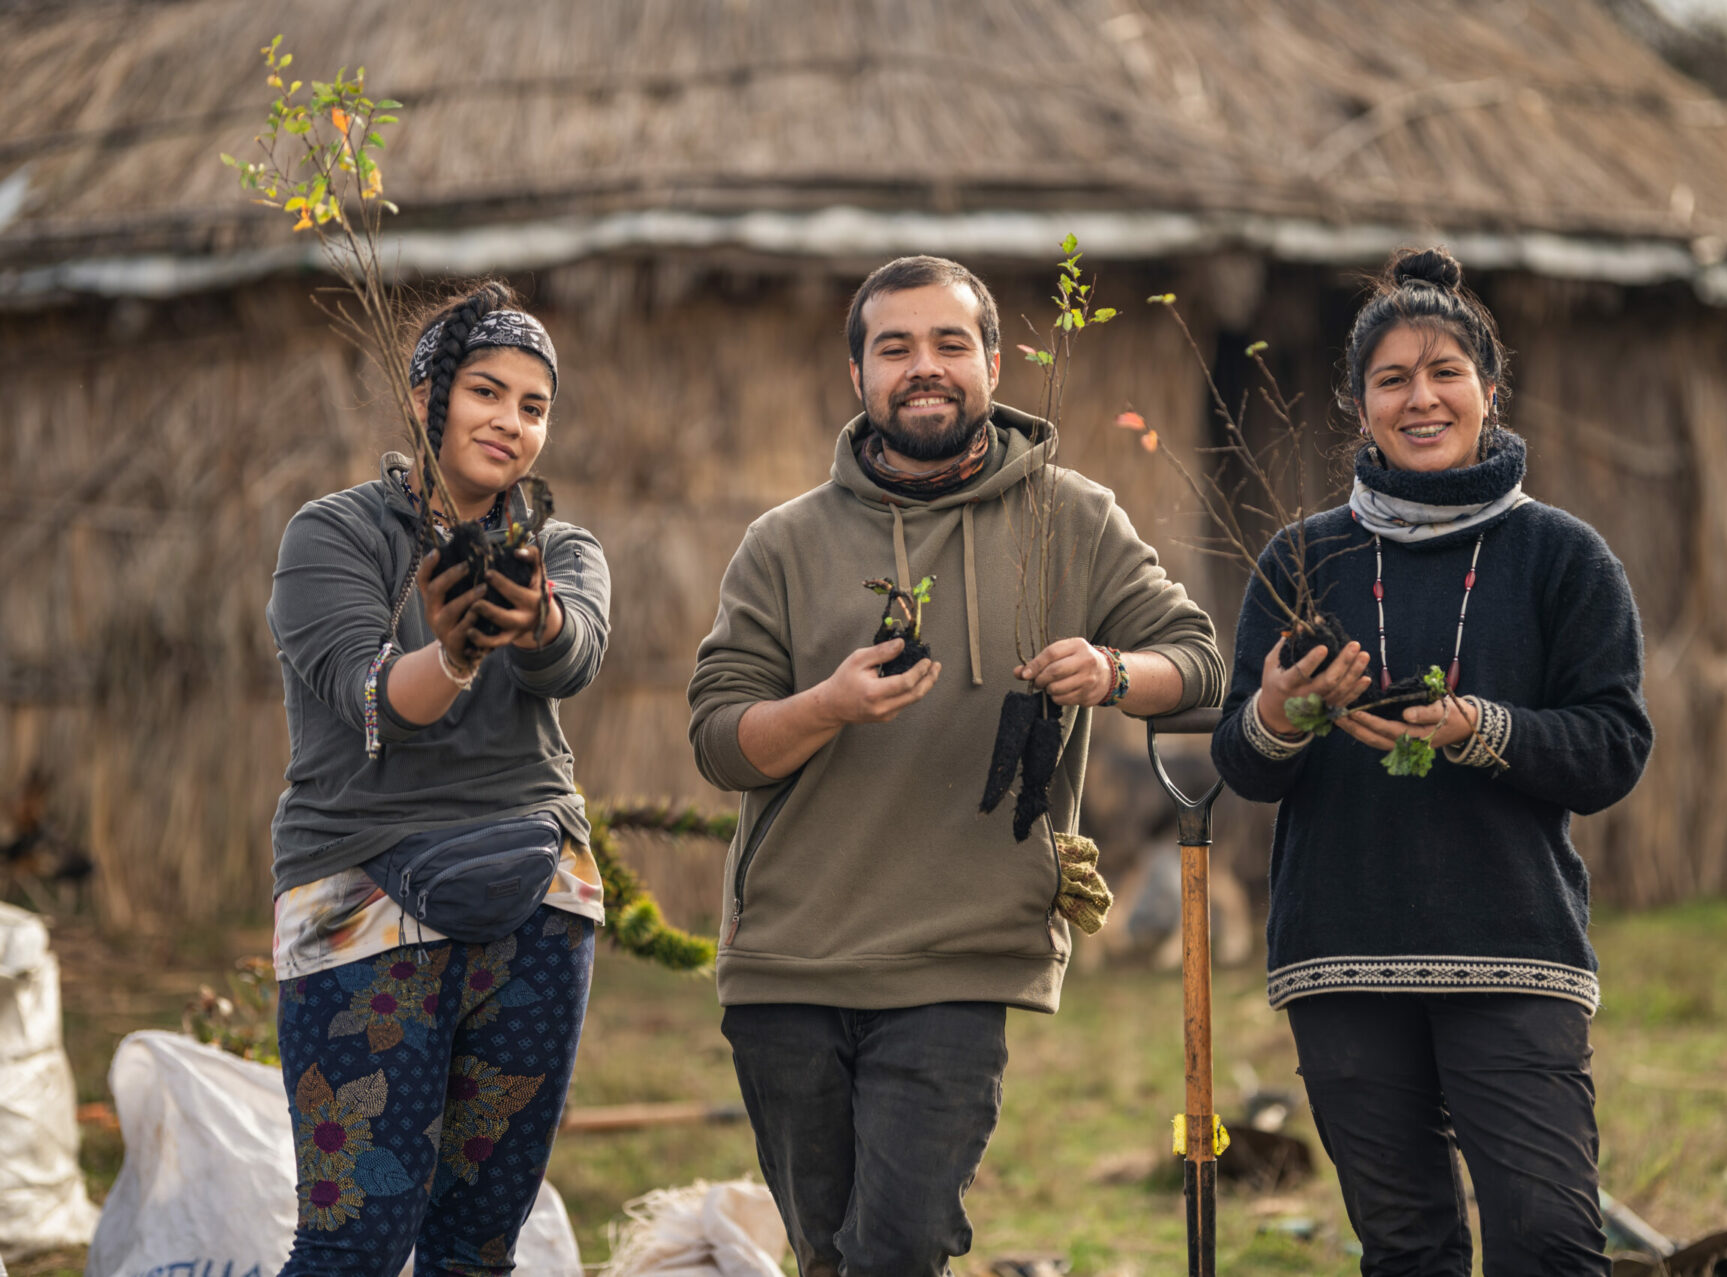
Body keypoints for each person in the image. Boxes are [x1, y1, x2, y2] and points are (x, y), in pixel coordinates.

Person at [689, 255, 1223, 1277]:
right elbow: (720, 737)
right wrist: (828, 704)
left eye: (948, 343)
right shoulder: (784, 543)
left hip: (963, 947)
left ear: (990, 361)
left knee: (905, 1245)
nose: (922, 367)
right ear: (858, 376)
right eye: (894, 347)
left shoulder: (1069, 516)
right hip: (790, 956)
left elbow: (1197, 660)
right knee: (825, 1252)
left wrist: (1113, 667)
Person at [1210, 247, 1653, 1276]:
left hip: (1510, 944)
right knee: (1406, 1247)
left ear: (1489, 391)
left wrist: (1479, 727)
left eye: (1446, 371)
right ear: (1357, 405)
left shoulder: (1562, 557)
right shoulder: (1303, 559)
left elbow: (1613, 746)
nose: (1422, 397)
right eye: (1392, 378)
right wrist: (1278, 708)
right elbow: (1244, 759)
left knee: (1547, 1238)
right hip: (1341, 951)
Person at [265, 280, 610, 1275]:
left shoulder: (563, 548)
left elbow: (572, 657)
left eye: (533, 405)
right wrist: (454, 652)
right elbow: (368, 696)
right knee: (354, 1240)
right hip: (361, 892)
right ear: (425, 397)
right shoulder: (332, 535)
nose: (510, 421)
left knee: (477, 1244)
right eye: (486, 391)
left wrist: (532, 617)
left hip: (535, 898)